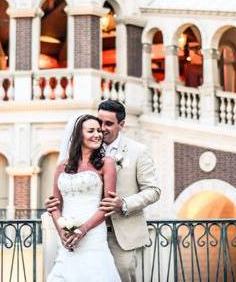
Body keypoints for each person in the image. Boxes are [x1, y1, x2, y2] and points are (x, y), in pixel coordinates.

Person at [47, 100, 161, 282]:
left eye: (108, 124)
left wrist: (123, 203)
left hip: (120, 233)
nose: (102, 129)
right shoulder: (69, 162)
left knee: (119, 275)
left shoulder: (138, 151)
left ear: (121, 125)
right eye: (100, 122)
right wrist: (58, 213)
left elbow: (153, 190)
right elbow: (58, 198)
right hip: (81, 232)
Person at [47, 114, 121, 281]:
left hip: (93, 234)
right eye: (91, 131)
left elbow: (107, 206)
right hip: (67, 237)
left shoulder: (107, 163)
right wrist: (63, 233)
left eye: (99, 131)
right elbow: (54, 205)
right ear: (79, 135)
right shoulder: (61, 167)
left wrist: (83, 230)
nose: (98, 134)